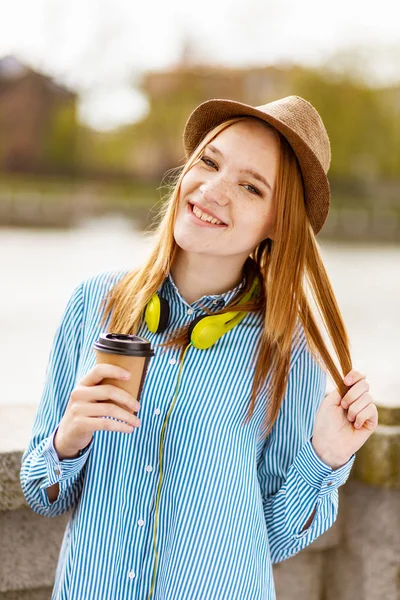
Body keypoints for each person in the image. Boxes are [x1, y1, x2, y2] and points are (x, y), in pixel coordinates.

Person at [20, 95, 378, 600]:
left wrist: (327, 455)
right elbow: (42, 493)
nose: (213, 190)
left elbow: (272, 540)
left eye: (251, 187)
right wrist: (67, 440)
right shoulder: (95, 302)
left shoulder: (287, 348)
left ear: (278, 223)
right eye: (209, 162)